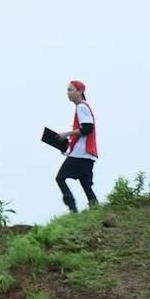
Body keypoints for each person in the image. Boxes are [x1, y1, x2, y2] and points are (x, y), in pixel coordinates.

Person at [56, 80, 99, 212]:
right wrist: (68, 146)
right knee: (86, 184)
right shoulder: (82, 106)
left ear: (80, 91)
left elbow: (87, 128)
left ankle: (72, 207)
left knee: (60, 177)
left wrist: (66, 134)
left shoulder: (81, 106)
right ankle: (96, 209)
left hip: (81, 154)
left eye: (71, 90)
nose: (68, 93)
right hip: (87, 155)